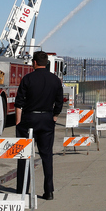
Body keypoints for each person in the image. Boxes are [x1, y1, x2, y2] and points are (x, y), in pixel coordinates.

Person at [15, 51, 63, 200]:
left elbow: (19, 103)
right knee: (47, 155)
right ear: (47, 63)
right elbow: (59, 101)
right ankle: (49, 191)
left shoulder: (28, 79)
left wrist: (18, 122)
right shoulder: (55, 80)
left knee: (24, 156)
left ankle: (22, 190)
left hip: (30, 118)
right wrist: (54, 116)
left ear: (34, 62)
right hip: (47, 119)